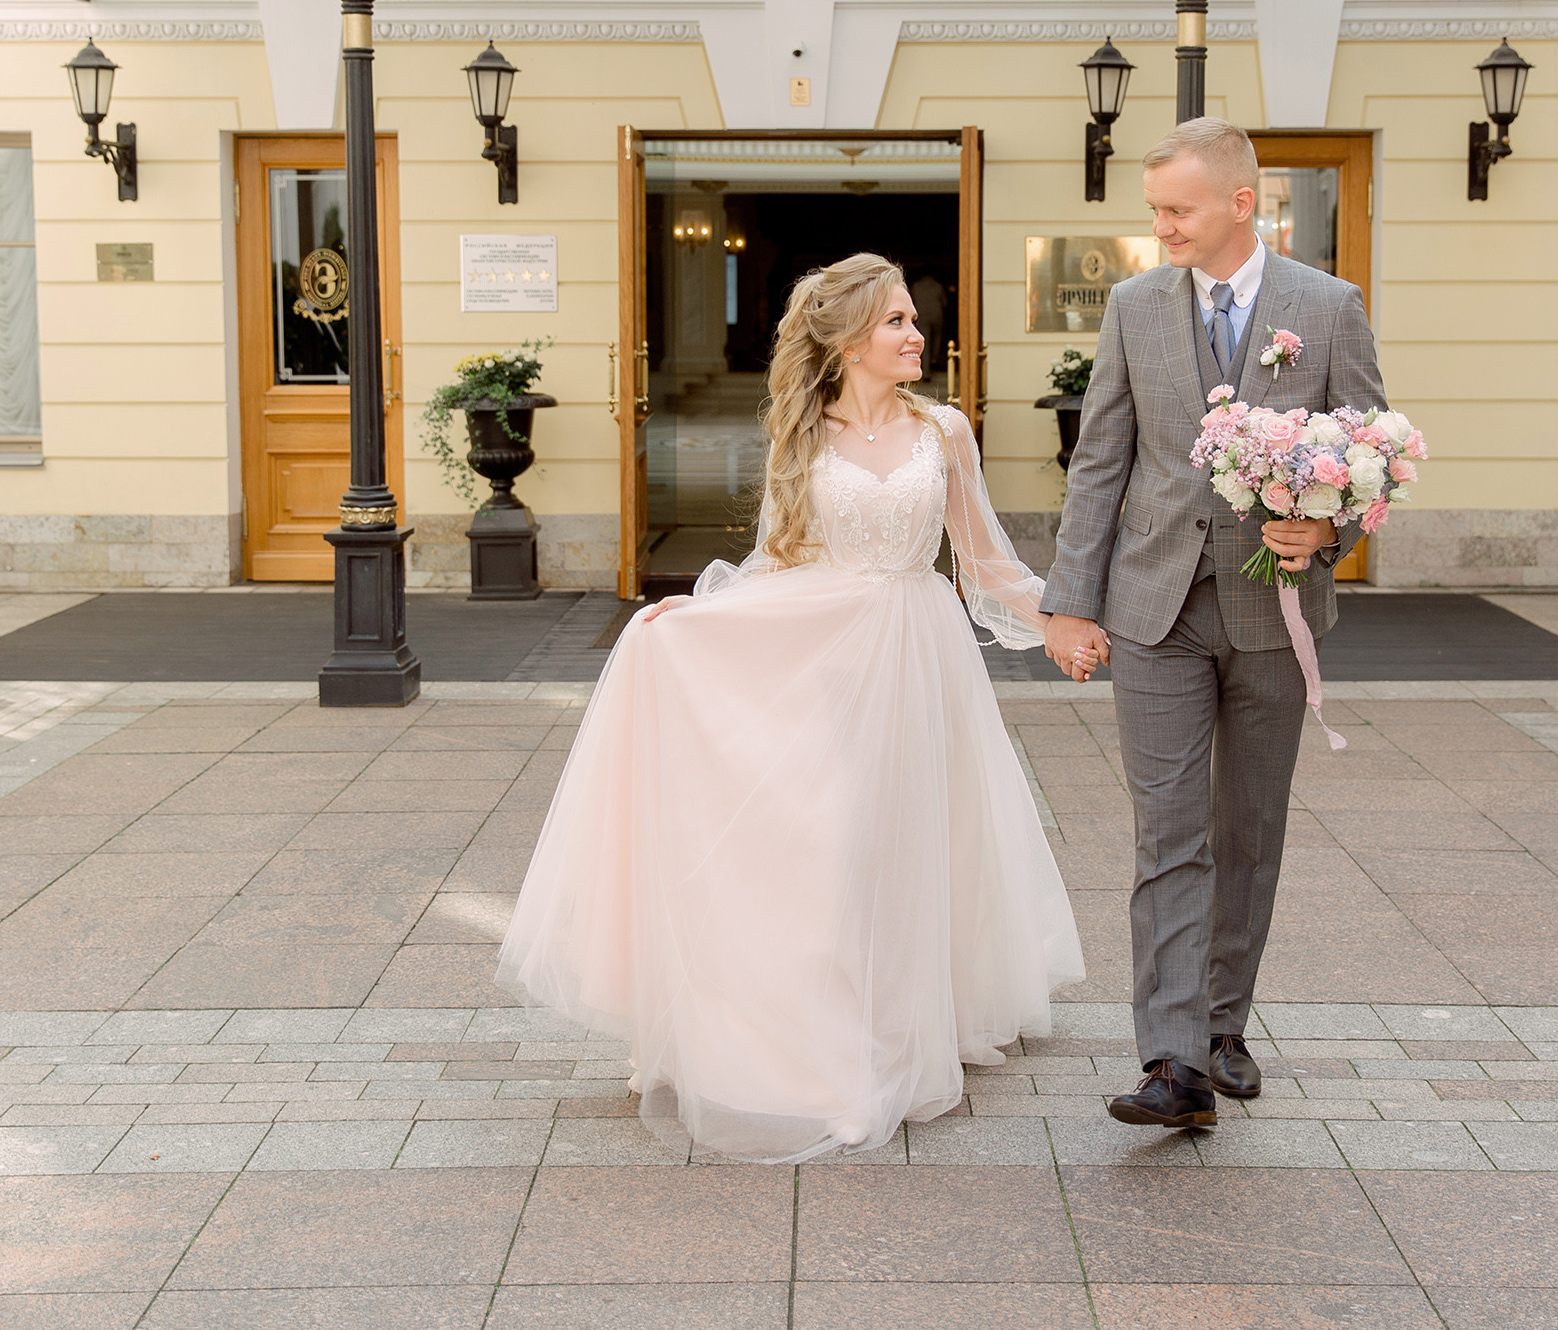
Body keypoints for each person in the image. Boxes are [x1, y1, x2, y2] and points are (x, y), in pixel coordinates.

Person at [497, 252, 1086, 1163]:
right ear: (851, 338)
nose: (915, 332)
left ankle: (903, 1020)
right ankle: (833, 1049)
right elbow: (780, 559)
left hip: (921, 654)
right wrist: (698, 614)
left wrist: (1058, 621)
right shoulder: (801, 437)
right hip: (825, 651)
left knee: (910, 839)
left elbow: (985, 557)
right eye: (895, 320)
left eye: (910, 318)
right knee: (833, 842)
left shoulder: (947, 431)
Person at [1040, 117, 1386, 1129]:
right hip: (1153, 607)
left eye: (1177, 209)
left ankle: (1225, 1021)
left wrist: (1323, 531)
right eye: (1153, 210)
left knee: (1248, 827)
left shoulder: (1326, 307)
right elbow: (1098, 459)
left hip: (1272, 613)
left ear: (1243, 201)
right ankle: (1173, 1056)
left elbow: (1372, 458)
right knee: (1167, 831)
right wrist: (1069, 597)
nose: (1161, 229)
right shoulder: (1133, 306)